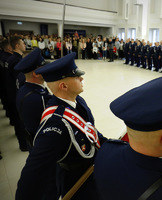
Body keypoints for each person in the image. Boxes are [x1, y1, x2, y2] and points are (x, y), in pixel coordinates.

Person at [16, 53, 107, 199]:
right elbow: (32, 175)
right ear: (63, 85)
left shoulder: (79, 101)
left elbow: (91, 130)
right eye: (77, 76)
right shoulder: (55, 125)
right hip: (75, 182)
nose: (81, 78)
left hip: (92, 172)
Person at [15, 48, 52, 149]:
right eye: (43, 67)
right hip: (42, 143)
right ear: (36, 73)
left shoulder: (24, 89)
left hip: (32, 139)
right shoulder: (40, 97)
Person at [5, 36, 28, 151]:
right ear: (17, 46)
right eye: (23, 43)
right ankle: (24, 145)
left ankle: (22, 141)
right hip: (16, 94)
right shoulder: (16, 61)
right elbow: (19, 80)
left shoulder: (12, 58)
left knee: (18, 120)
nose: (25, 45)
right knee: (20, 121)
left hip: (12, 92)